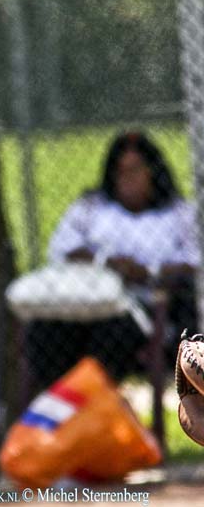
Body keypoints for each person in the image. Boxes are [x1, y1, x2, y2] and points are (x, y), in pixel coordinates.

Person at [25, 131, 199, 387]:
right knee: (44, 331)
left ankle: (97, 403)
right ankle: (60, 407)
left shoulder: (179, 215)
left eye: (135, 169)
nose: (126, 178)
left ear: (153, 171)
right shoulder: (91, 208)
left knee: (113, 334)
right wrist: (108, 264)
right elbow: (63, 250)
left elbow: (194, 264)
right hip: (88, 301)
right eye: (119, 171)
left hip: (142, 309)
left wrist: (147, 272)